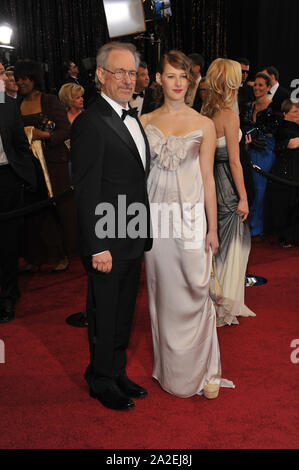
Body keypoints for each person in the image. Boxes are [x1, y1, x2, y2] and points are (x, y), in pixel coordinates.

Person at [140, 50, 234, 399]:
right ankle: (170, 370)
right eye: (170, 76)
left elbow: (208, 179)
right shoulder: (144, 120)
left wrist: (212, 228)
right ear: (158, 79)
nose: (178, 83)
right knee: (162, 294)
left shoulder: (204, 124)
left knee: (196, 291)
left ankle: (207, 369)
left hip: (192, 218)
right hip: (156, 221)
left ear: (190, 81)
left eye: (183, 77)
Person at [71, 42, 152, 411]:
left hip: (132, 232)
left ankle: (116, 371)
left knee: (123, 312)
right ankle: (100, 379)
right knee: (104, 312)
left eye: (131, 72)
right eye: (118, 71)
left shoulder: (132, 117)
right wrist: (97, 245)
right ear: (101, 75)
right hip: (107, 238)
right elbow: (87, 190)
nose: (126, 79)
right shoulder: (91, 121)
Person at [202, 58, 255, 326]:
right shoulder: (229, 116)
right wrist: (243, 198)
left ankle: (217, 302)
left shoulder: (206, 112)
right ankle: (225, 306)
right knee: (233, 246)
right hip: (228, 189)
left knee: (217, 248)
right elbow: (235, 162)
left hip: (210, 187)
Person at [14, 59, 76, 272]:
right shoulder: (15, 104)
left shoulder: (50, 101)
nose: (20, 82)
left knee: (59, 211)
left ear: (34, 78)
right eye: (18, 78)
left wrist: (44, 136)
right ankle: (34, 257)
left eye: (25, 78)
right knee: (32, 214)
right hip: (27, 168)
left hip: (53, 166)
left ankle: (63, 255)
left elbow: (65, 131)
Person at [0, 62, 36, 322]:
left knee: (8, 243)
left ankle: (8, 296)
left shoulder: (7, 104)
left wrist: (23, 176)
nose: (6, 77)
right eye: (1, 72)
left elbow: (21, 146)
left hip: (6, 179)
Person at [240, 72, 282, 236]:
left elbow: (273, 134)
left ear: (268, 87)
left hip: (264, 152)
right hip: (247, 150)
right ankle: (247, 223)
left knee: (259, 189)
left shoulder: (273, 109)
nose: (257, 88)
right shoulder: (248, 106)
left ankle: (256, 228)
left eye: (261, 85)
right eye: (255, 85)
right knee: (247, 187)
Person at [264, 99, 299, 246]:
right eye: (295, 112)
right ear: (285, 114)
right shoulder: (284, 128)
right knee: (286, 204)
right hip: (285, 173)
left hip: (293, 171)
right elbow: (291, 144)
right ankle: (285, 235)